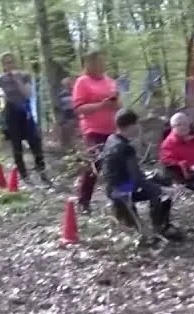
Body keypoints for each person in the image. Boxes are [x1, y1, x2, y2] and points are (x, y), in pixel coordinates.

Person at [100, 109, 179, 240]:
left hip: (112, 188)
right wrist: (162, 189)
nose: (138, 127)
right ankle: (160, 227)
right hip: (123, 189)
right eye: (136, 124)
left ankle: (158, 224)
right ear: (130, 126)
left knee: (160, 180)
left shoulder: (111, 139)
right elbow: (137, 180)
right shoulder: (126, 148)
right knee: (161, 190)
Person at [0, 52, 48, 184]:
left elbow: (28, 94)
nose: (9, 65)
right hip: (11, 112)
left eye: (11, 61)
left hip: (25, 110)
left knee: (34, 142)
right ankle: (24, 175)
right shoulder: (0, 79)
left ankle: (42, 172)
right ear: (3, 65)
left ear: (15, 62)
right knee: (16, 145)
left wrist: (17, 81)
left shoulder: (24, 75)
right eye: (6, 63)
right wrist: (0, 96)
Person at [72, 51, 121, 214]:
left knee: (118, 164)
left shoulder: (110, 81)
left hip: (112, 129)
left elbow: (118, 105)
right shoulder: (82, 82)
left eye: (102, 61)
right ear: (89, 64)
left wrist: (115, 103)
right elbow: (78, 108)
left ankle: (120, 200)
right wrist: (100, 105)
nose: (101, 64)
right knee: (94, 164)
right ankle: (83, 202)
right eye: (97, 61)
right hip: (93, 129)